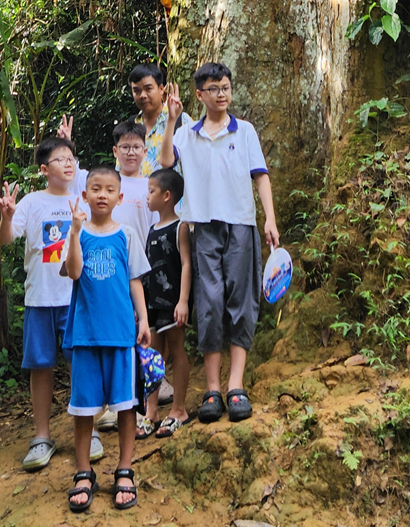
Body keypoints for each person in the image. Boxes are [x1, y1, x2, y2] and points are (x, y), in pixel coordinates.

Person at [159, 62, 279, 424]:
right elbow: (166, 163)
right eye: (214, 89)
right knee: (209, 304)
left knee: (241, 299)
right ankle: (211, 388)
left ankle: (235, 384)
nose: (222, 94)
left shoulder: (244, 132)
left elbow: (261, 177)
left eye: (225, 87)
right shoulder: (187, 134)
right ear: (200, 95)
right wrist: (170, 121)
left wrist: (269, 217)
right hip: (203, 228)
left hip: (241, 223)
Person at [0, 136, 104, 469]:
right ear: (44, 169)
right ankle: (42, 436)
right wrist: (6, 216)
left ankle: (90, 429)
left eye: (72, 157)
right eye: (60, 159)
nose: (69, 163)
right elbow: (6, 240)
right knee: (40, 367)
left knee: (81, 363)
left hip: (76, 298)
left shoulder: (83, 201)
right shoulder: (31, 202)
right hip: (40, 298)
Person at [61, 167, 151, 513]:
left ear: (120, 197)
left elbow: (134, 282)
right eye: (95, 189)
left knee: (125, 406)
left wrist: (143, 320)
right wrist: (74, 230)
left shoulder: (126, 234)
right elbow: (73, 272)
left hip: (120, 335)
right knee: (83, 409)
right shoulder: (79, 234)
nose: (102, 195)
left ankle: (124, 469)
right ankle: (84, 472)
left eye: (109, 190)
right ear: (84, 195)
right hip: (85, 335)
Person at [138, 167, 192, 438]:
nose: (147, 196)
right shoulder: (151, 229)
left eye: (151, 191)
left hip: (173, 303)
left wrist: (183, 301)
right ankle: (151, 411)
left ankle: (179, 408)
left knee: (177, 349)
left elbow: (186, 264)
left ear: (167, 196)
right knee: (152, 355)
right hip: (152, 303)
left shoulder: (180, 227)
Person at [127, 63, 191, 175]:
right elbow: (122, 171)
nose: (142, 95)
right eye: (137, 91)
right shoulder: (131, 125)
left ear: (161, 89)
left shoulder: (181, 121)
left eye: (148, 89)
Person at [112, 120, 158, 244]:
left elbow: (156, 227)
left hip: (142, 257)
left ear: (145, 152)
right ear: (115, 151)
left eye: (136, 147)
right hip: (110, 256)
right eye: (125, 147)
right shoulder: (108, 185)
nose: (131, 152)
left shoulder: (151, 187)